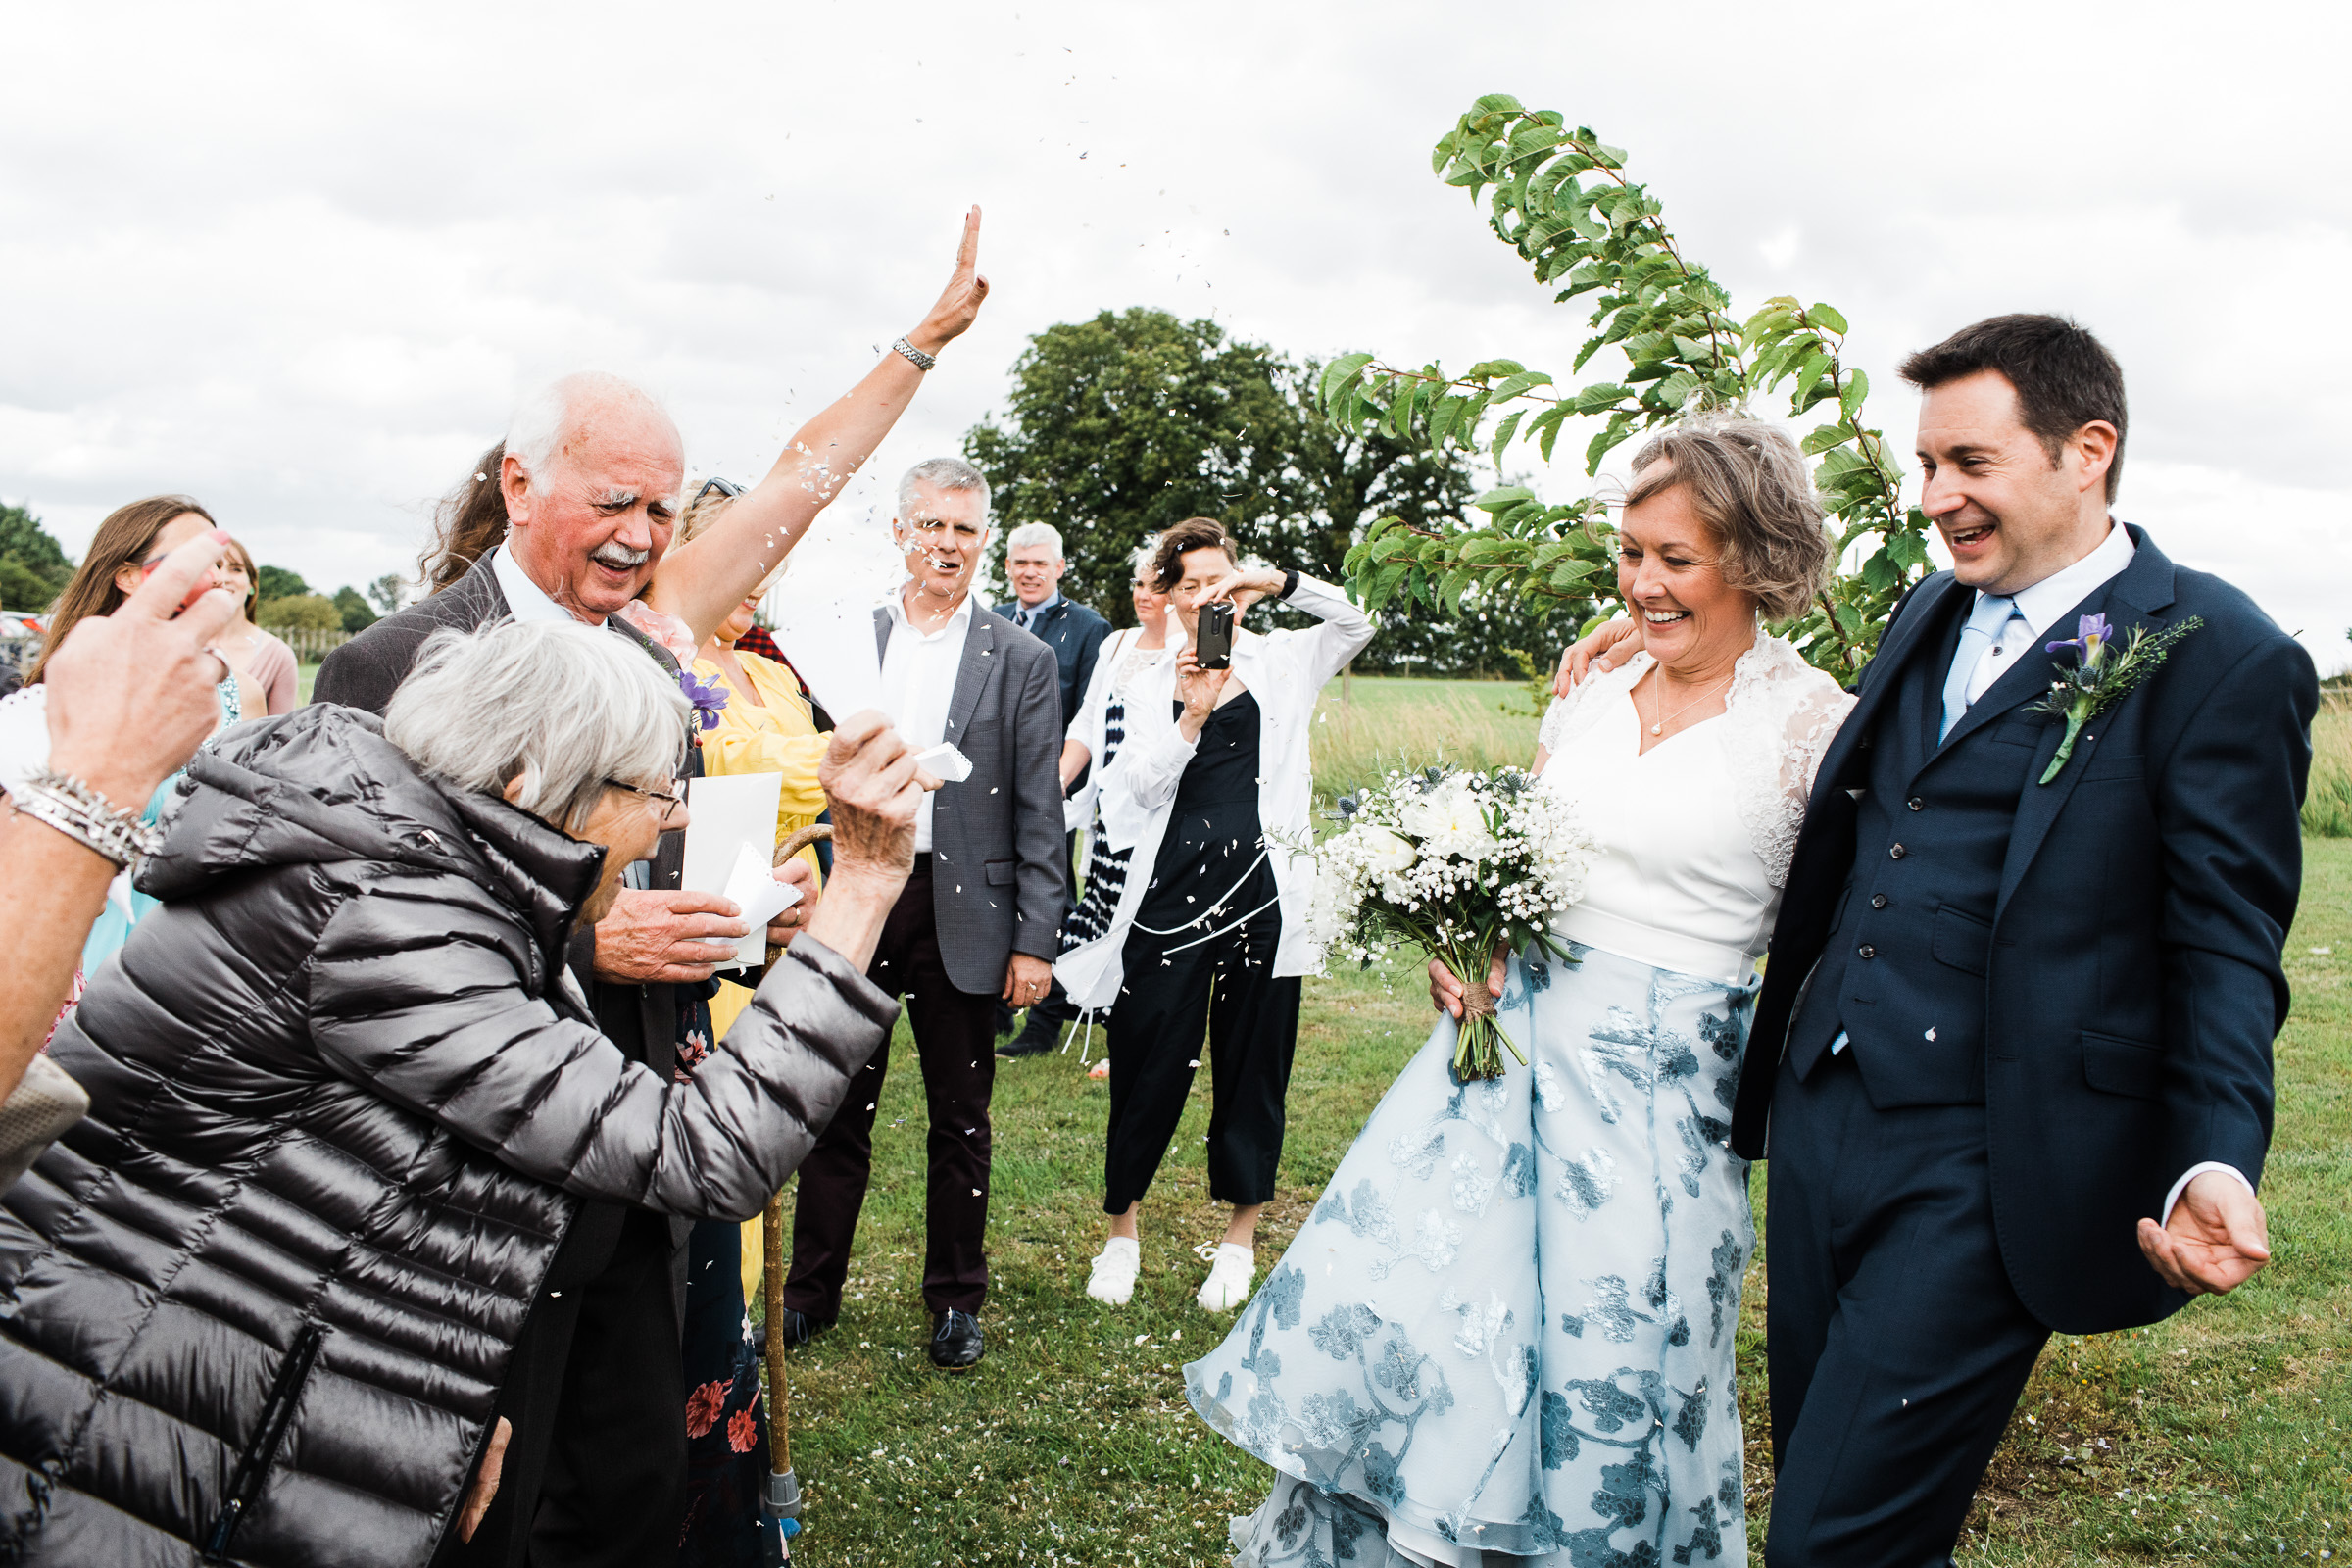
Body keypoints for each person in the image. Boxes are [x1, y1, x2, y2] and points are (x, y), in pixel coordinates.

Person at [1552, 318, 2315, 1564]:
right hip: (1820, 1116)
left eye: (1968, 463)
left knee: (1831, 1538)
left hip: (1995, 1153)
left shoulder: (2219, 655)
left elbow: (2229, 944)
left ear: (2088, 451)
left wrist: (2215, 1159)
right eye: (1922, 467)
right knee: (1834, 1481)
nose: (1933, 499)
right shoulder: (1930, 608)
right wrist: (1649, 638)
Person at [311, 210, 990, 1567]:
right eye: (608, 502)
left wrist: (919, 345)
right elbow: (349, 936)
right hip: (477, 1172)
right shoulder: (403, 661)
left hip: (654, 1129)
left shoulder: (652, 628)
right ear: (517, 485)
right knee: (487, 1501)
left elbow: (802, 483)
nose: (638, 535)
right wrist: (580, 936)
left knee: (632, 1487)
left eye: (660, 510)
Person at [0, 618, 928, 1568]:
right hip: (151, 1436)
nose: (671, 820)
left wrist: (421, 1409)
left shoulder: (412, 861)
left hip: (226, 1397)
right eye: (652, 792)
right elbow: (705, 1152)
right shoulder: (396, 918)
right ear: (530, 782)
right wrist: (859, 884)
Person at [1181, 416, 1844, 1565]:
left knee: (1619, 1376)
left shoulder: (1816, 725)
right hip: (1493, 1074)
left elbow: (1831, 946)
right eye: (1629, 552)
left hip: (1658, 1110)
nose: (1640, 582)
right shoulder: (1588, 685)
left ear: (1755, 555)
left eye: (1674, 559)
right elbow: (1518, 853)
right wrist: (1465, 939)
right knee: (1432, 1344)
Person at [774, 457, 1065, 1373]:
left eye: (966, 530)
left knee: (961, 1116)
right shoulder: (847, 641)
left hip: (964, 904)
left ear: (986, 540)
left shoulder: (1023, 658)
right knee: (834, 1105)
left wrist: (1036, 939)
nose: (949, 544)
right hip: (859, 889)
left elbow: (1036, 808)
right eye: (933, 526)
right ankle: (810, 1294)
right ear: (902, 531)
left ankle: (955, 1303)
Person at [1062, 517, 1374, 1314]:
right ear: (1166, 596)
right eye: (1192, 584)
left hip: (1266, 894)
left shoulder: (1283, 659)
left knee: (1253, 1063)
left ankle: (1239, 1237)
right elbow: (1135, 788)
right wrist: (1190, 717)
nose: (1210, 597)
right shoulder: (1145, 678)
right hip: (1168, 897)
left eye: (1222, 580)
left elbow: (1357, 617)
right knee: (1145, 1059)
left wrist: (1278, 584)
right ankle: (1120, 1233)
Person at [662, 478, 831, 1566]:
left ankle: (740, 1433)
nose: (755, 574)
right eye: (738, 550)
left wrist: (812, 876)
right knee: (702, 1187)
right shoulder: (656, 668)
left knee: (763, 1192)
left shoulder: (777, 672)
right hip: (686, 954)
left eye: (768, 554)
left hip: (773, 954)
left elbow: (814, 811)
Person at [0, 526, 236, 1102]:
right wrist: (104, 780)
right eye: (177, 562)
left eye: (224, 563)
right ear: (127, 575)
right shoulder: (35, 707)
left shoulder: (229, 687)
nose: (215, 578)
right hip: (77, 923)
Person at [1002, 540, 1172, 1063]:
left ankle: (1143, 1036)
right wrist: (1055, 782)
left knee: (1148, 928)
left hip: (1164, 813)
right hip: (1110, 814)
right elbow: (1088, 721)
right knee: (1095, 911)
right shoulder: (1117, 644)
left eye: (1159, 586)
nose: (1145, 595)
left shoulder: (1193, 651)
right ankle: (1066, 1018)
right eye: (1139, 584)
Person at [991, 522, 1109, 1038]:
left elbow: (1089, 716)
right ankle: (992, 1010)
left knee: (1050, 897)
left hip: (1051, 790)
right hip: (987, 788)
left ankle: (1046, 1017)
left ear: (1060, 568)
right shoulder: (989, 620)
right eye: (1021, 562)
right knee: (989, 890)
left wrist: (1059, 783)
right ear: (1008, 567)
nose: (1030, 572)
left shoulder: (1088, 628)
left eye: (1040, 563)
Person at [215, 533, 301, 713]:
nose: (224, 578)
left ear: (252, 584)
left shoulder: (278, 656)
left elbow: (280, 736)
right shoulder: (177, 643)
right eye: (216, 567)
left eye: (236, 569)